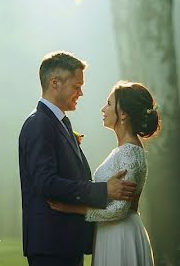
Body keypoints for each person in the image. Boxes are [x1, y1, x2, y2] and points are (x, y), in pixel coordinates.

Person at [19, 52, 138, 266]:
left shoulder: (58, 123)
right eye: (76, 86)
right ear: (55, 83)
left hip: (66, 242)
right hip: (52, 244)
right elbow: (46, 183)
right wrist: (103, 191)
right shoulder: (39, 124)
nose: (81, 92)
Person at [48, 81, 159, 265]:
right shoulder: (122, 150)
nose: (103, 109)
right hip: (110, 233)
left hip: (121, 236)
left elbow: (119, 210)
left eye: (108, 104)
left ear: (123, 113)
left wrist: (71, 208)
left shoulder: (130, 153)